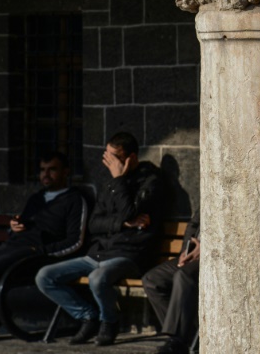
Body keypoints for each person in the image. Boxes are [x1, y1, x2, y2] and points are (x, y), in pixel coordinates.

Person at [36, 132, 166, 347]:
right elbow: (95, 224)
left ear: (131, 158)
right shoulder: (110, 184)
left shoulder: (150, 183)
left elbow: (127, 211)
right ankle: (88, 316)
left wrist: (119, 180)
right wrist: (123, 223)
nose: (109, 162)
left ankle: (109, 321)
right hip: (99, 252)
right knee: (45, 276)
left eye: (114, 158)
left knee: (98, 278)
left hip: (129, 254)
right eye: (107, 156)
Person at [0, 151, 89, 343]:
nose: (46, 175)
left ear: (66, 172)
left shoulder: (75, 199)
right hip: (8, 248)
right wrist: (14, 228)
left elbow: (75, 242)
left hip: (33, 255)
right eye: (42, 170)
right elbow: (22, 229)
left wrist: (40, 252)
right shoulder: (36, 199)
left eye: (52, 170)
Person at [142, 210, 200, 354]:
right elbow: (194, 224)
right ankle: (188, 335)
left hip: (213, 255)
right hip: (192, 254)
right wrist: (186, 250)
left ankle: (178, 341)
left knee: (183, 276)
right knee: (152, 280)